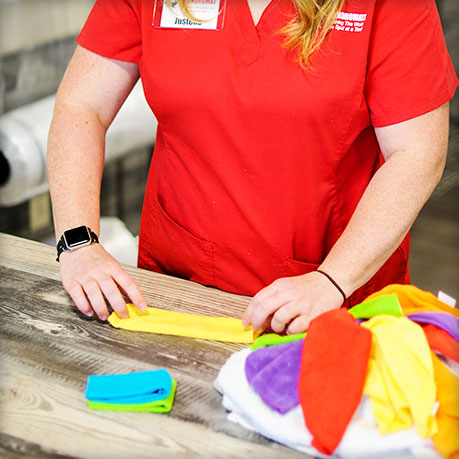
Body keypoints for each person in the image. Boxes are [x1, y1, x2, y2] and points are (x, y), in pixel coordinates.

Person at [47, 0, 458, 334]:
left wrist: (331, 280)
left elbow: (417, 153)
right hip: (175, 292)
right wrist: (78, 242)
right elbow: (81, 106)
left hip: (332, 301)